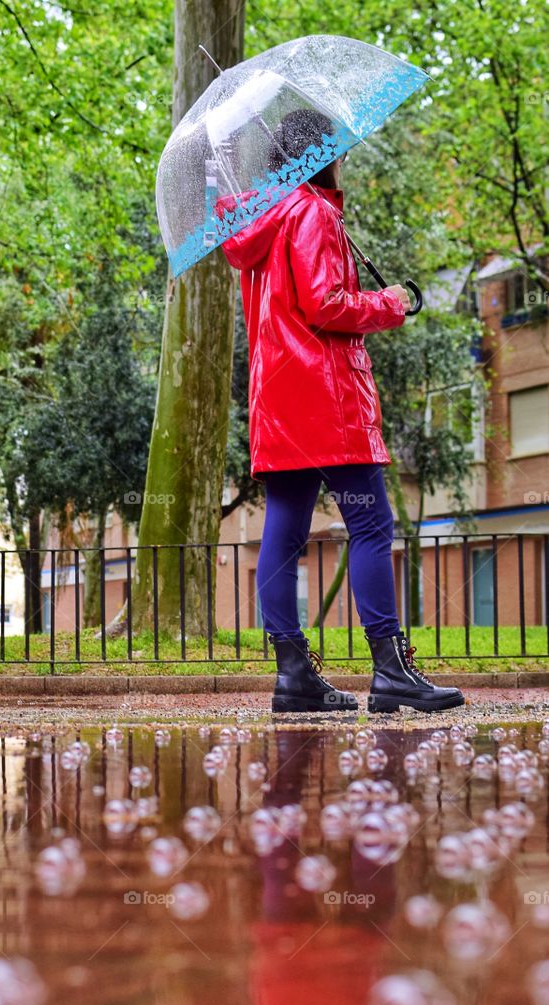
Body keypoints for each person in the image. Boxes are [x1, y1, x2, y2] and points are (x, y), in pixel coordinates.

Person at [219, 109, 464, 714]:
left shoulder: (259, 218)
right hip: (325, 402)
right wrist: (390, 302)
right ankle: (391, 670)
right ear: (319, 155)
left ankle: (293, 674)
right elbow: (325, 303)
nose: (343, 159)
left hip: (278, 403)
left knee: (283, 533)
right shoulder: (311, 211)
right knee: (372, 526)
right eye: (338, 149)